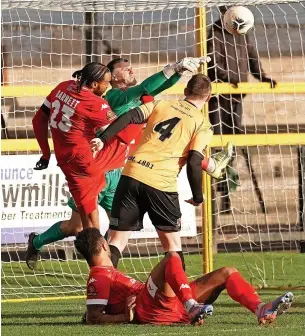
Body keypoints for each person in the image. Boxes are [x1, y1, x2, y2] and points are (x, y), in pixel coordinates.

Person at [25, 57, 211, 270]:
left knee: (116, 231)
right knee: (76, 227)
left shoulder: (135, 99)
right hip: (96, 168)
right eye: (124, 69)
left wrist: (177, 72)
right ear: (111, 79)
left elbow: (150, 89)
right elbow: (144, 88)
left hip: (118, 172)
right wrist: (173, 70)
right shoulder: (113, 97)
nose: (131, 69)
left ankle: (105, 276)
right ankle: (37, 242)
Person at [91, 74, 234, 269]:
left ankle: (101, 291)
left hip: (131, 174)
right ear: (208, 98)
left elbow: (129, 116)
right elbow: (194, 161)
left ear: (185, 92)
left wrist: (103, 138)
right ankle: (177, 297)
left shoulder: (160, 105)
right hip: (161, 184)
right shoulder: (203, 125)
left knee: (116, 240)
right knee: (172, 247)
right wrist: (198, 196)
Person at [26, 62, 129, 269]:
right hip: (85, 168)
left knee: (120, 224)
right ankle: (102, 275)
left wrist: (46, 154)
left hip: (100, 167)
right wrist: (143, 112)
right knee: (85, 228)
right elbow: (123, 130)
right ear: (93, 84)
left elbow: (38, 120)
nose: (108, 88)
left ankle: (107, 272)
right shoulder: (95, 103)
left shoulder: (63, 87)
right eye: (105, 83)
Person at [75, 228, 293, 326]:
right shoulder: (98, 277)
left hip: (164, 305)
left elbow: (91, 314)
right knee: (171, 258)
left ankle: (259, 308)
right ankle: (191, 305)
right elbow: (93, 316)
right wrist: (124, 317)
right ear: (104, 245)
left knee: (228, 272)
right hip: (150, 308)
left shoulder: (106, 273)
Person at [207, 6, 277, 212]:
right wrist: (227, 78)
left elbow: (252, 57)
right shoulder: (216, 32)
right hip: (219, 98)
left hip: (237, 97)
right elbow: (212, 63)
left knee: (233, 146)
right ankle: (219, 196)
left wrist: (262, 76)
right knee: (218, 145)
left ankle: (228, 195)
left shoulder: (243, 32)